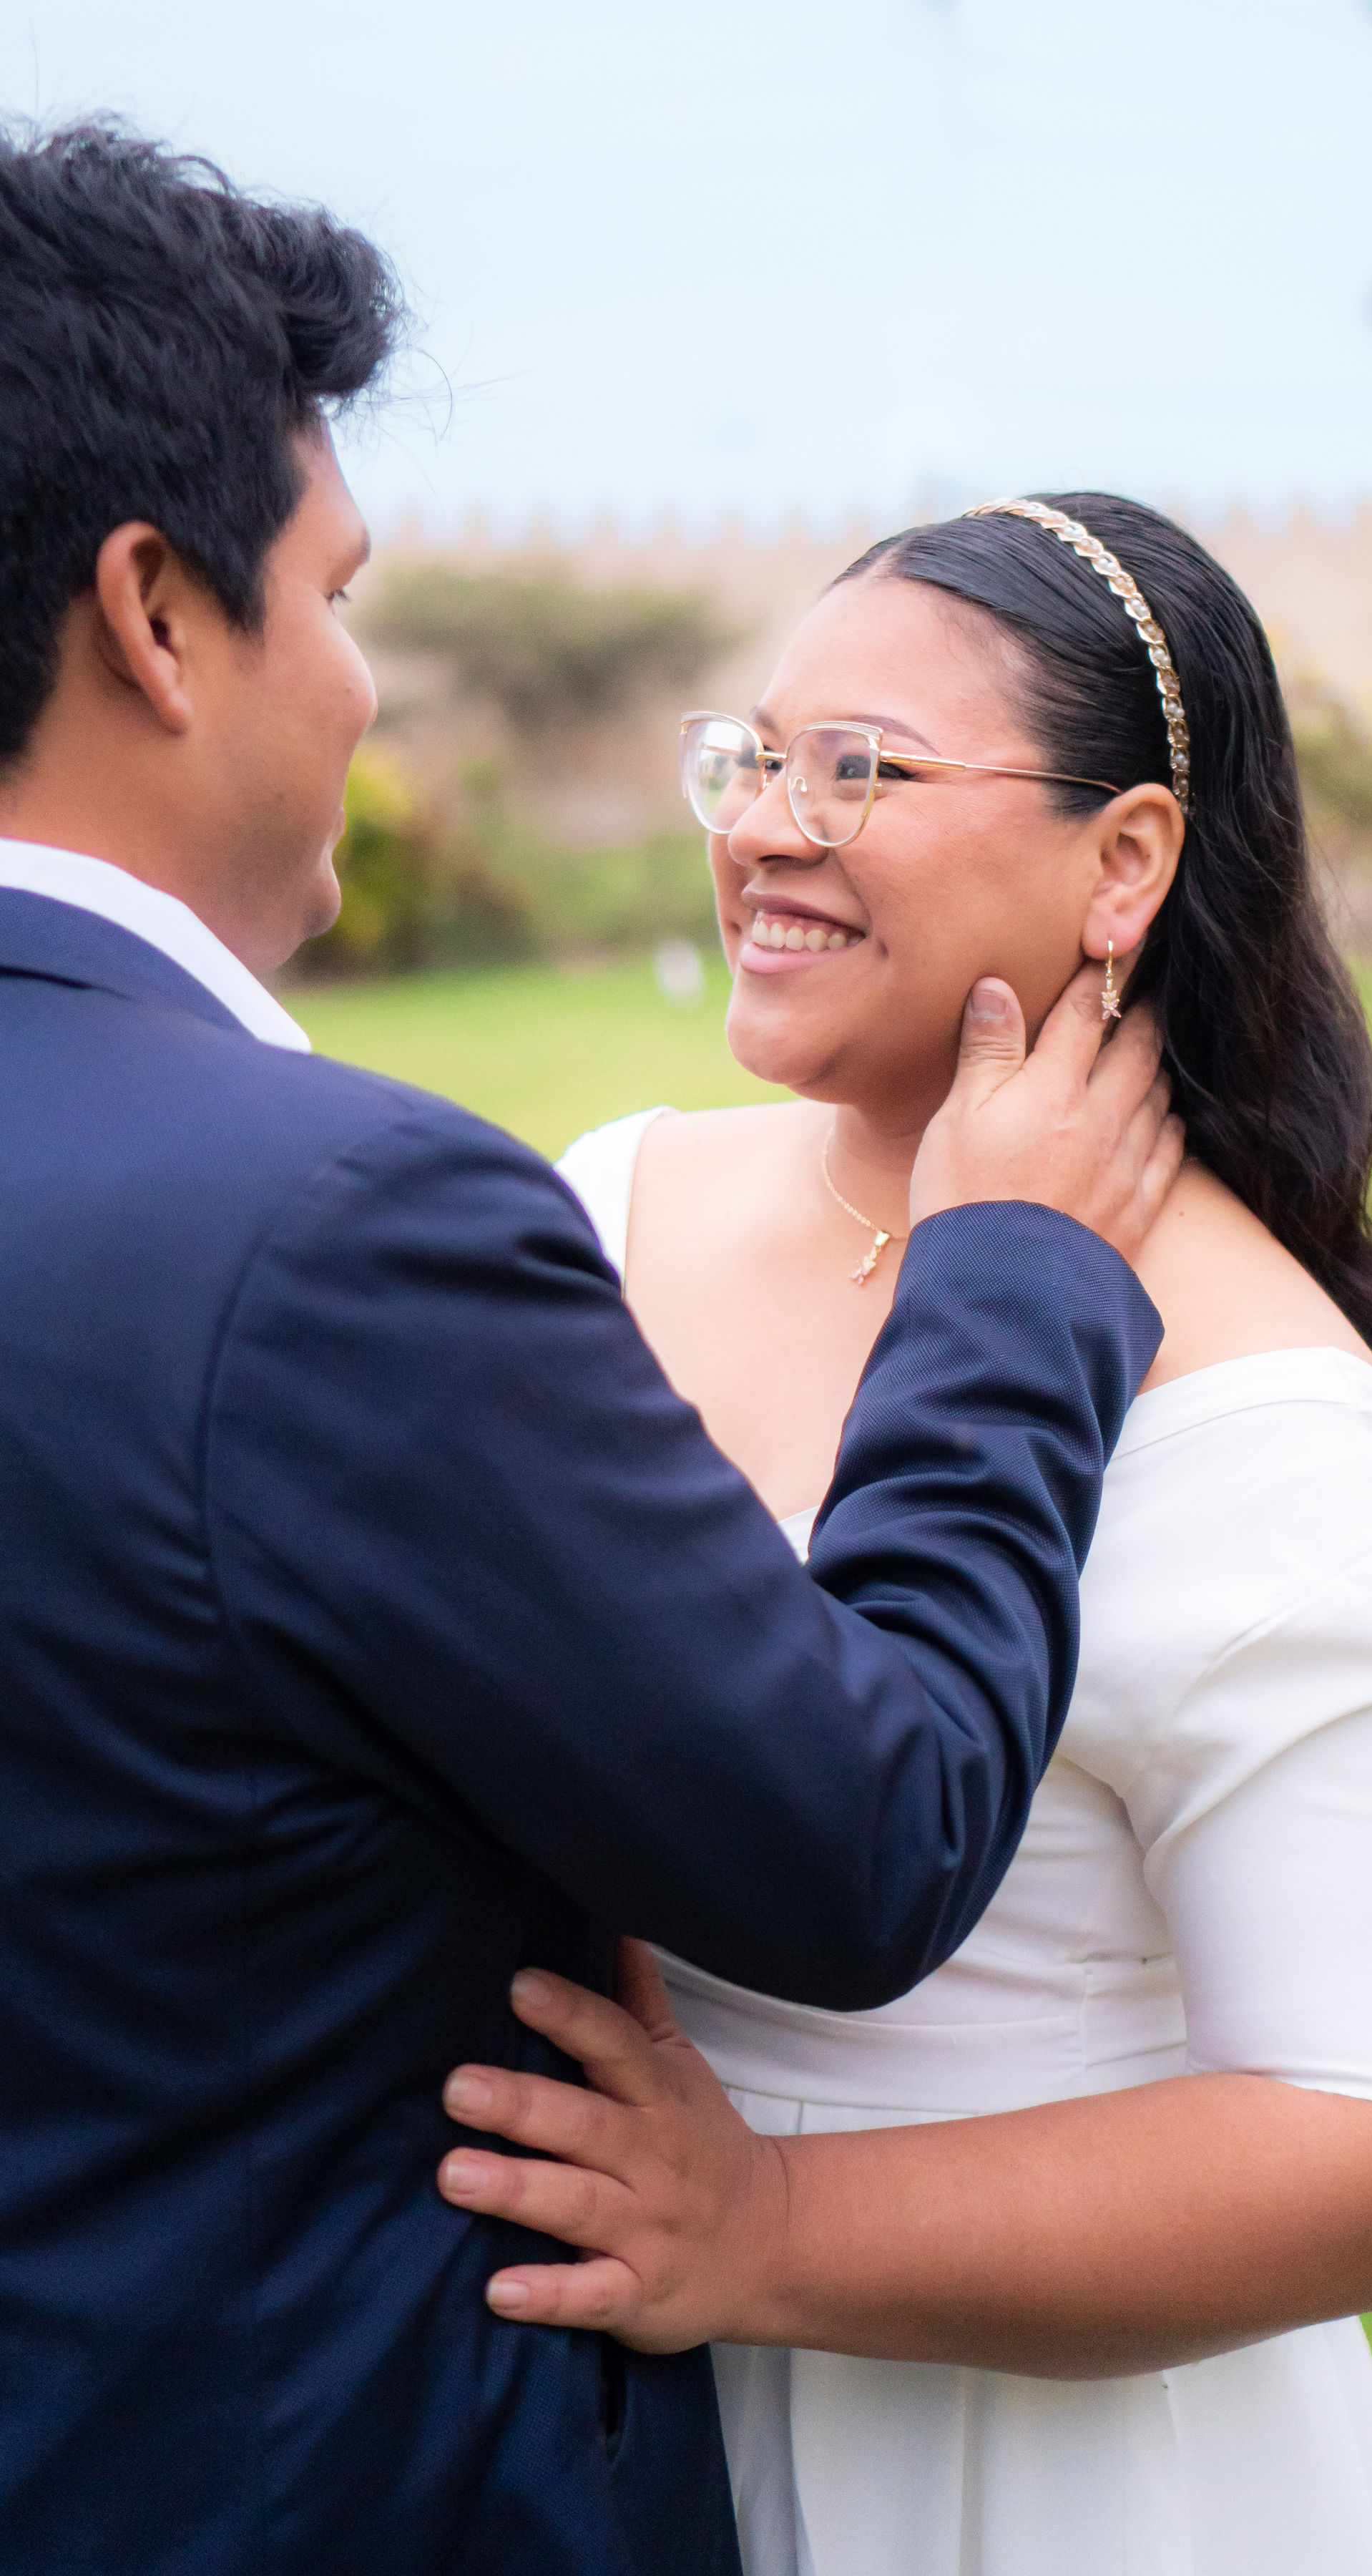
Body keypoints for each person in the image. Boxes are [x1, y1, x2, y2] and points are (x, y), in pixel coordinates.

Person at [0, 135, 1183, 2576]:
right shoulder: (326, 1224)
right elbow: (858, 1836)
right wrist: (1012, 1281)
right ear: (155, 615)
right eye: (334, 594)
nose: (354, 678)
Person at [436, 495, 1372, 2575]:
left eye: (869, 770)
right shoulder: (608, 1206)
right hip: (584, 2423)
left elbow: (1360, 2150)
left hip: (1035, 2474)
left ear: (1126, 862)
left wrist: (763, 2231)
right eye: (751, 752)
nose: (765, 822)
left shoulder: (1286, 1441)